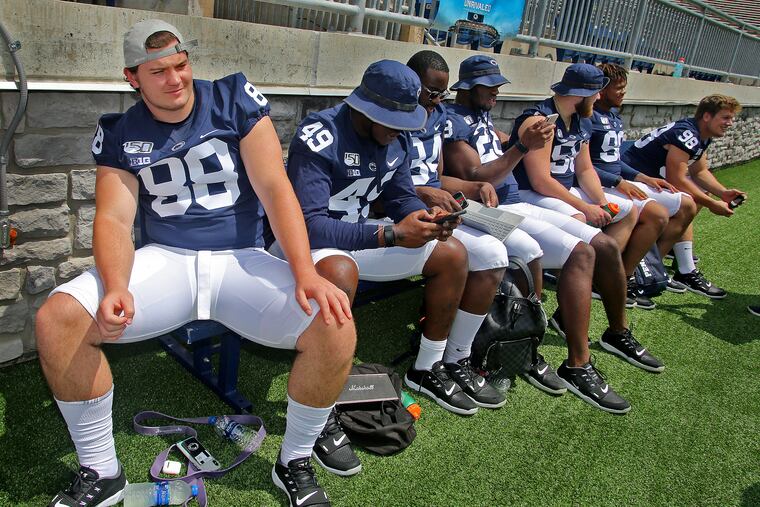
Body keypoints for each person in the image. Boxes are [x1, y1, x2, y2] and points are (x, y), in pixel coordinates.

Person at [35, 20, 354, 507]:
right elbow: (115, 219)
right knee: (57, 319)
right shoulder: (120, 131)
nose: (175, 79)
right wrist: (117, 284)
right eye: (157, 71)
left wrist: (305, 271)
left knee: (334, 324)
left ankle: (294, 461)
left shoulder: (232, 98)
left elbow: (274, 189)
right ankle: (102, 471)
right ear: (132, 78)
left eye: (181, 65)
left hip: (240, 258)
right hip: (167, 260)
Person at [279, 61, 508, 440]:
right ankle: (324, 402)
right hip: (305, 244)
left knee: (452, 254)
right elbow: (308, 225)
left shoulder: (396, 135)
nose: (399, 132)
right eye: (390, 121)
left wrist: (424, 217)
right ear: (364, 109)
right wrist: (390, 235)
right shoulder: (320, 134)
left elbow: (399, 196)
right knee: (340, 272)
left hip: (361, 234)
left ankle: (427, 368)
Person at [443, 56, 664, 415]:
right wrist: (519, 145)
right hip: (487, 208)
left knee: (601, 246)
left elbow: (494, 147)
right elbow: (475, 172)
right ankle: (547, 351)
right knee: (552, 251)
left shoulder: (481, 117)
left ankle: (608, 339)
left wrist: (507, 140)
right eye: (491, 86)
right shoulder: (453, 122)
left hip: (514, 203)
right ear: (468, 88)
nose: (498, 92)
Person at [590, 63, 698, 308]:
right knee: (656, 214)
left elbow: (613, 160)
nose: (622, 93)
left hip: (616, 181)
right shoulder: (588, 117)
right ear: (602, 89)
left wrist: (642, 177)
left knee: (684, 203)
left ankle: (641, 273)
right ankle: (614, 279)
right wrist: (619, 182)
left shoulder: (613, 117)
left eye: (624, 88)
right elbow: (583, 164)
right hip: (598, 184)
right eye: (618, 88)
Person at [622, 93, 746, 298]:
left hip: (649, 181)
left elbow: (700, 171)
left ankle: (682, 270)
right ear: (707, 116)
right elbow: (677, 178)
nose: (730, 123)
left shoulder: (700, 134)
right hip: (631, 181)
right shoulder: (686, 134)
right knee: (688, 203)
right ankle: (651, 269)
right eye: (725, 117)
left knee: (694, 197)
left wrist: (722, 193)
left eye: (731, 118)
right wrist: (712, 204)